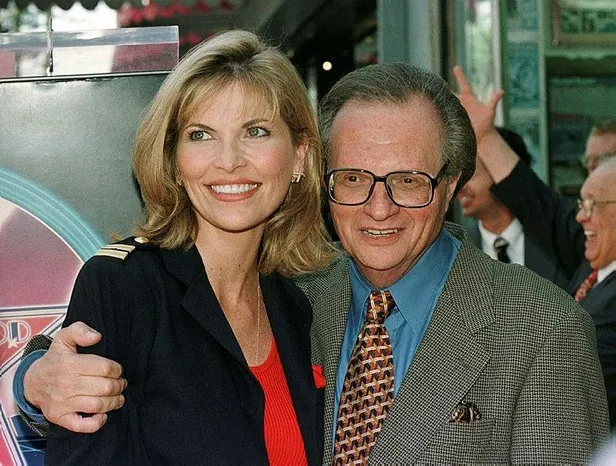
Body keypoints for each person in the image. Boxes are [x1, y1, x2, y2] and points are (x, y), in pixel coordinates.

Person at [16, 63, 610, 463]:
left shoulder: (544, 331)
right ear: (323, 177)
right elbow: (105, 344)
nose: (379, 208)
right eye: (353, 178)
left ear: (451, 184)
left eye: (408, 181)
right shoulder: (301, 292)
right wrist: (32, 378)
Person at [22, 29, 337, 465]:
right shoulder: (124, 286)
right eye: (201, 135)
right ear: (172, 159)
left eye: (256, 131)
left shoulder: (299, 303)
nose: (229, 161)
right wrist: (29, 374)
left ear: (299, 155)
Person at [454, 65, 616, 429]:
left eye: (592, 206)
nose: (581, 218)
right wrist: (485, 138)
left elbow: (575, 368)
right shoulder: (592, 266)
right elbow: (543, 208)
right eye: (581, 205)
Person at [458, 126, 570, 288]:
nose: (459, 186)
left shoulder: (559, 241)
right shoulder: (455, 253)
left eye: (469, 174)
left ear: (505, 174)